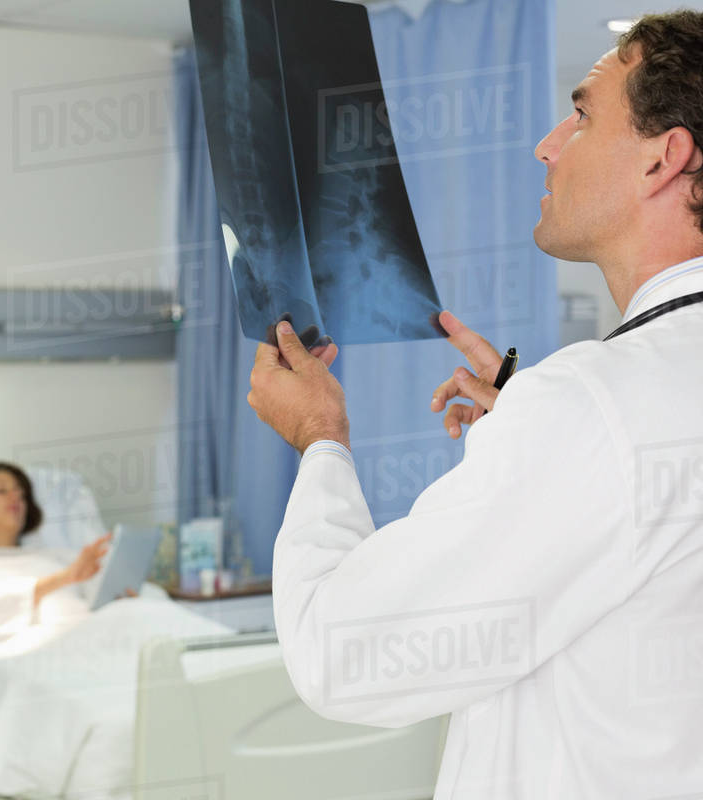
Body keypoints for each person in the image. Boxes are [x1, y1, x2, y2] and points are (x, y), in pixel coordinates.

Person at [247, 11, 703, 799]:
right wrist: (534, 427)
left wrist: (320, 438)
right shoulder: (621, 397)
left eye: (583, 113)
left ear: (664, 158)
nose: (548, 145)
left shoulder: (595, 403)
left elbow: (343, 653)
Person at [0, 462, 112, 650]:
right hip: (26, 649)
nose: (15, 497)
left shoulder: (56, 556)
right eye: (1, 491)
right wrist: (62, 579)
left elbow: (97, 597)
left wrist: (119, 596)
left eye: (21, 494)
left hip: (91, 633)